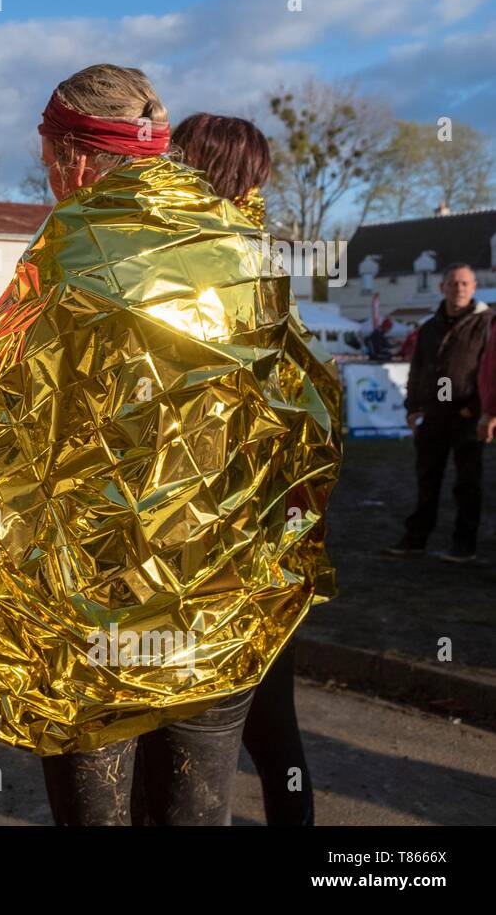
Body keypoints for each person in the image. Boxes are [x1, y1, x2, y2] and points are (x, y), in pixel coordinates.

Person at [0, 66, 340, 825]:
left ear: (79, 157)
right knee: (196, 809)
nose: (52, 177)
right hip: (218, 609)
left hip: (96, 618)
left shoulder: (67, 250)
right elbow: (305, 418)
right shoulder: (240, 242)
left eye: (51, 158)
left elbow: (5, 445)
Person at [172, 112, 341, 826]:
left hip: (215, 534)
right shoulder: (258, 257)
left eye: (177, 155)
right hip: (264, 531)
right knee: (269, 723)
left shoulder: (208, 259)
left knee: (204, 727)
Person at [386, 263, 491, 562]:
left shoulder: (487, 323)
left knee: (467, 483)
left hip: (467, 416)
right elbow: (417, 368)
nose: (459, 288)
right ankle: (415, 539)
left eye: (465, 283)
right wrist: (412, 408)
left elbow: (490, 370)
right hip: (434, 415)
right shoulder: (430, 326)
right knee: (427, 481)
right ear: (442, 287)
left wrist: (480, 409)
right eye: (453, 283)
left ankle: (464, 543)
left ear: (473, 288)